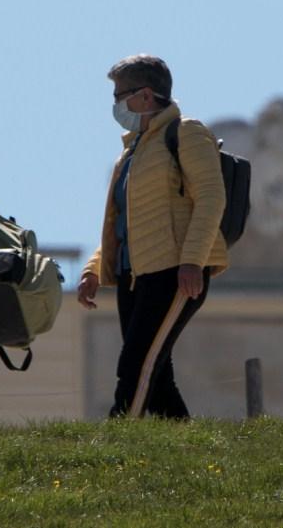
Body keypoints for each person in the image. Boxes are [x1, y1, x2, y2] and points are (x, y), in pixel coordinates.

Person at [77, 54, 228, 418]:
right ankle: (188, 453)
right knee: (156, 376)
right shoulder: (132, 151)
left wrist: (193, 260)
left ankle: (116, 448)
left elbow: (211, 197)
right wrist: (95, 268)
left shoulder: (186, 133)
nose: (115, 104)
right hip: (135, 276)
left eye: (119, 95)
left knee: (135, 366)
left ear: (145, 95)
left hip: (173, 270)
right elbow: (122, 220)